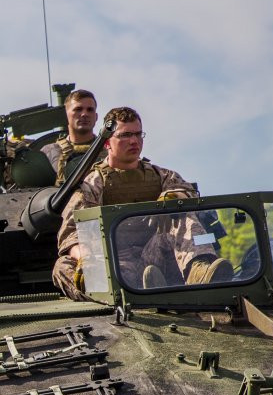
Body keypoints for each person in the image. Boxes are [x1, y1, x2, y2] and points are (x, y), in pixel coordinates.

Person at [54, 106, 231, 300]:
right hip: (115, 266)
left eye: (138, 134)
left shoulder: (161, 176)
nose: (134, 141)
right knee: (62, 266)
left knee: (181, 212)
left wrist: (174, 198)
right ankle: (102, 297)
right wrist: (84, 259)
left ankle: (200, 273)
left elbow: (188, 192)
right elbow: (72, 234)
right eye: (125, 135)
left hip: (156, 256)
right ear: (107, 143)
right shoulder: (92, 185)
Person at [41, 89, 106, 184]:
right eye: (78, 109)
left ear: (96, 117)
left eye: (90, 110)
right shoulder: (49, 153)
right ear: (66, 115)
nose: (84, 114)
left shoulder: (109, 152)